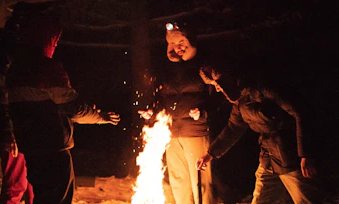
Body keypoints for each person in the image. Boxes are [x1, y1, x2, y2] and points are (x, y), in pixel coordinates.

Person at [6, 12, 120, 203]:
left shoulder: (16, 69)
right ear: (44, 38)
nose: (56, 44)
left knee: (43, 197)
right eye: (54, 39)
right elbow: (73, 108)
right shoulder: (47, 69)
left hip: (32, 148)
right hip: (52, 149)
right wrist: (101, 116)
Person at [196, 66, 324, 203]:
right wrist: (210, 154)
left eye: (217, 84)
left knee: (306, 200)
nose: (217, 89)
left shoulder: (261, 87)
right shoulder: (239, 101)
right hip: (268, 157)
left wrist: (305, 154)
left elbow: (299, 112)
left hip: (291, 156)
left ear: (226, 79)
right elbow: (234, 128)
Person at [138, 19, 228, 204]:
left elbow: (221, 97)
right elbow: (163, 99)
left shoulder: (204, 65)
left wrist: (203, 112)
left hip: (195, 132)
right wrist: (152, 111)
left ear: (190, 42)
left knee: (200, 182)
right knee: (179, 181)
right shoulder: (166, 69)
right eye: (172, 44)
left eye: (181, 43)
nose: (177, 47)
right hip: (171, 133)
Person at [0, 11, 34, 204]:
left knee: (34, 184)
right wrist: (10, 132)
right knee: (15, 186)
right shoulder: (6, 53)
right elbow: (2, 94)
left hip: (26, 126)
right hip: (15, 128)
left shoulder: (22, 51)